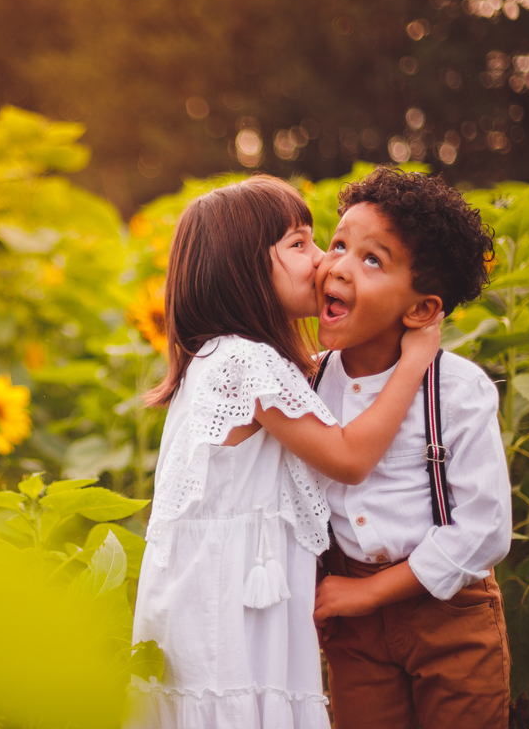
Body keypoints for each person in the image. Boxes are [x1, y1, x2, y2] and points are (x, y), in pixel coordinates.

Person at [127, 175, 442, 729]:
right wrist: (415, 359)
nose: (322, 262)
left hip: (214, 605)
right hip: (226, 621)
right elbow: (349, 457)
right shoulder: (245, 363)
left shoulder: (219, 360)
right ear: (241, 269)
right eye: (300, 245)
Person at [310, 168, 511, 729]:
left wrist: (369, 593)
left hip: (450, 615)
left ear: (421, 310)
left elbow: (484, 529)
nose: (340, 265)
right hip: (351, 621)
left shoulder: (456, 390)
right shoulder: (307, 382)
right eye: (339, 244)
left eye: (373, 260)